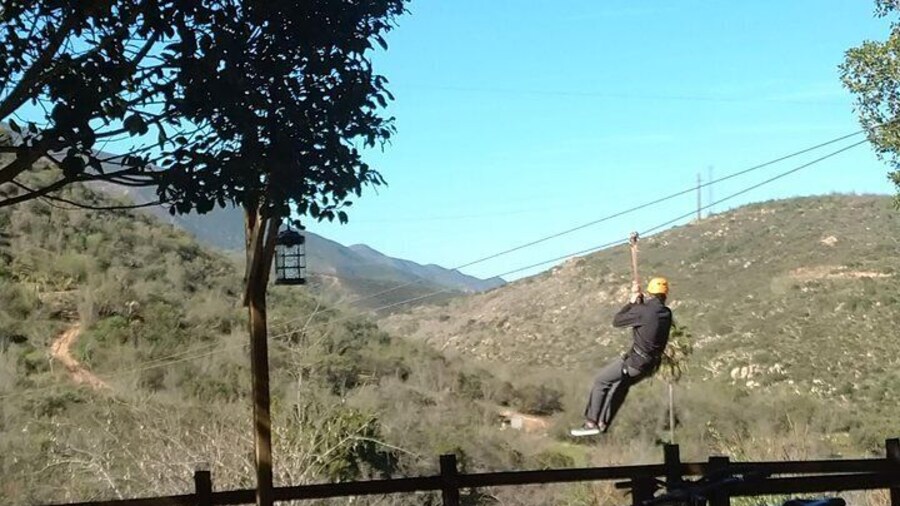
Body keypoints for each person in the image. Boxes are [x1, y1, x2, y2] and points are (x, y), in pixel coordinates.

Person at [570, 277, 672, 437]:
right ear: (665, 295)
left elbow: (617, 321)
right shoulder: (666, 313)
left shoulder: (643, 310)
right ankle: (604, 423)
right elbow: (649, 319)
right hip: (649, 365)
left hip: (634, 362)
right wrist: (639, 303)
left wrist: (632, 302)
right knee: (621, 387)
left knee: (601, 381)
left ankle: (591, 422)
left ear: (650, 292)